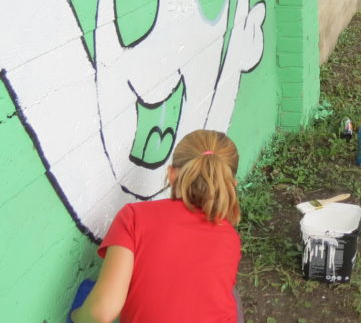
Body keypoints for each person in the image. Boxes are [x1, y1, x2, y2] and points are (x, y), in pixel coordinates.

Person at [69, 130, 243, 323]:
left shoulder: (134, 217)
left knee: (88, 295)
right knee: (231, 295)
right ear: (231, 185)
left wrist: (74, 316)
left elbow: (101, 312)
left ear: (171, 174)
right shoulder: (231, 238)